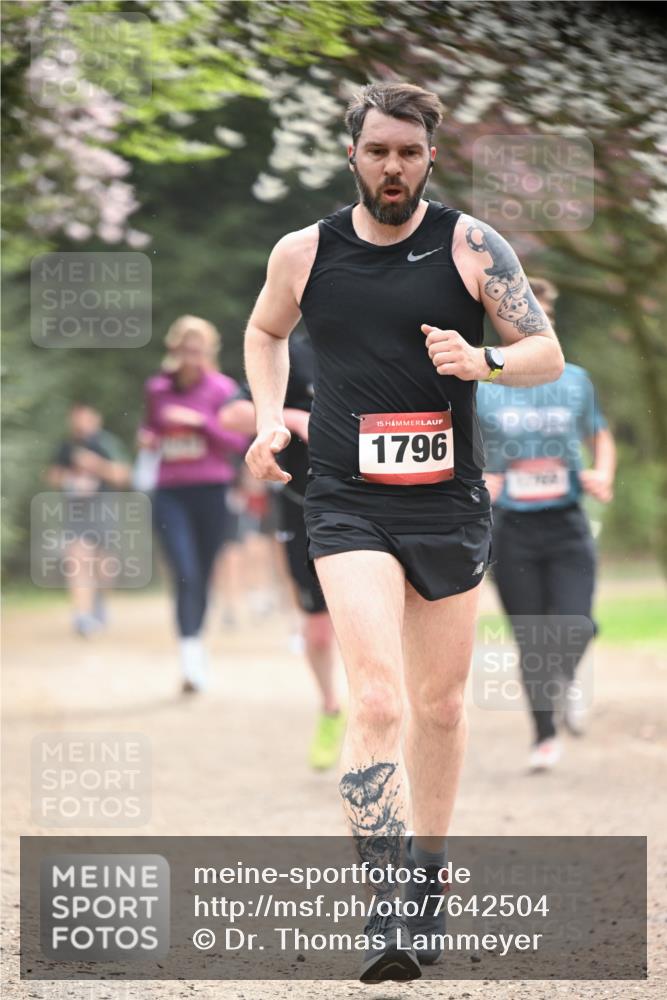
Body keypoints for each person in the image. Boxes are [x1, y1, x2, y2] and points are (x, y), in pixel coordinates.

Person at [243, 82, 563, 983]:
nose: (393, 167)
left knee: (443, 706)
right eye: (378, 150)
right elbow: (264, 332)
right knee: (377, 700)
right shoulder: (304, 253)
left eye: (409, 153)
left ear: (429, 158)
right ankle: (384, 901)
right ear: (352, 153)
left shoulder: (470, 246)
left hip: (447, 502)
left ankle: (426, 878)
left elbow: (546, 352)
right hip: (344, 500)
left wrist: (484, 360)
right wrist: (271, 418)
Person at [476, 277, 616, 771]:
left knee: (577, 623)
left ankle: (567, 676)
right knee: (531, 636)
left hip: (567, 522)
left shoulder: (575, 380)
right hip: (510, 528)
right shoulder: (483, 385)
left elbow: (601, 435)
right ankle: (544, 737)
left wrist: (602, 473)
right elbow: (466, 450)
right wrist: (482, 480)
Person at [221, 331, 346, 771]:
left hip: (377, 504)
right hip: (303, 506)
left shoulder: (385, 337)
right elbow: (231, 413)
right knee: (317, 632)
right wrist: (290, 416)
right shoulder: (292, 351)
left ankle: (383, 712)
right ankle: (331, 707)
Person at [139, 315, 247, 693]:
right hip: (170, 492)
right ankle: (188, 658)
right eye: (185, 348)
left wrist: (199, 422)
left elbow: (238, 442)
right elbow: (151, 428)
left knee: (202, 572)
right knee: (184, 571)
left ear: (208, 351)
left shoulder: (222, 389)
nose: (191, 355)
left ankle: (197, 646)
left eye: (198, 349)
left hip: (212, 490)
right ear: (175, 349)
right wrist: (148, 437)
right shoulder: (158, 389)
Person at [46, 402, 130, 637]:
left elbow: (123, 476)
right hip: (76, 510)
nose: (81, 423)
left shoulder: (107, 443)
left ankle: (99, 602)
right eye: (77, 418)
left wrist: (96, 465)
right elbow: (51, 476)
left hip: (104, 508)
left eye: (86, 418)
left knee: (105, 564)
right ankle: (82, 616)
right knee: (78, 557)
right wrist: (70, 480)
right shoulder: (66, 446)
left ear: (96, 420)